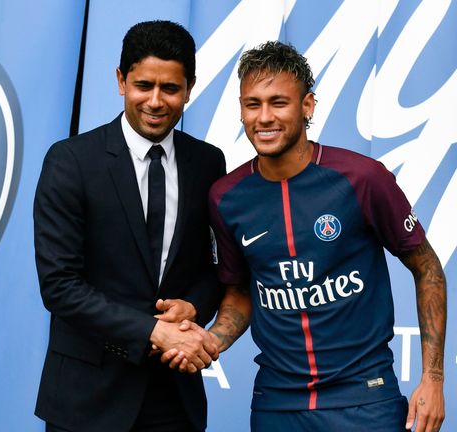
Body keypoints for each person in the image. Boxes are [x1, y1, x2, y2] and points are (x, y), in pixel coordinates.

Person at [165, 41, 446, 431]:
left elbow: (427, 267)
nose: (264, 117)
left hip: (365, 399)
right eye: (252, 104)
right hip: (276, 405)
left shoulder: (362, 178)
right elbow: (241, 291)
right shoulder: (226, 197)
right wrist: (212, 340)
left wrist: (432, 378)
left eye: (278, 102)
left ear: (308, 106)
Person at [33, 20, 226, 432]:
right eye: (143, 85)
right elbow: (59, 285)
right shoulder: (70, 161)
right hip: (87, 400)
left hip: (174, 398)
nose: (155, 101)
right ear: (121, 80)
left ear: (189, 88)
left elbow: (210, 269)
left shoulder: (208, 163)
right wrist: (154, 332)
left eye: (170, 89)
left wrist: (194, 306)